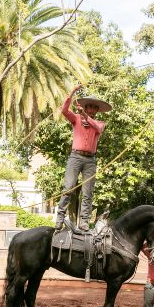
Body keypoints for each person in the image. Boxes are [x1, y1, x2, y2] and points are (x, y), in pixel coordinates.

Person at [54, 83, 112, 231]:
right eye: (89, 107)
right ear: (85, 108)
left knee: (88, 193)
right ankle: (60, 218)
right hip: (75, 157)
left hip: (90, 160)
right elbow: (64, 110)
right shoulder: (76, 119)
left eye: (94, 107)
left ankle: (84, 222)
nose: (92, 109)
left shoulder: (99, 123)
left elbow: (98, 128)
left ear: (97, 111)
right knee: (68, 188)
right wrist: (72, 92)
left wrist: (85, 116)